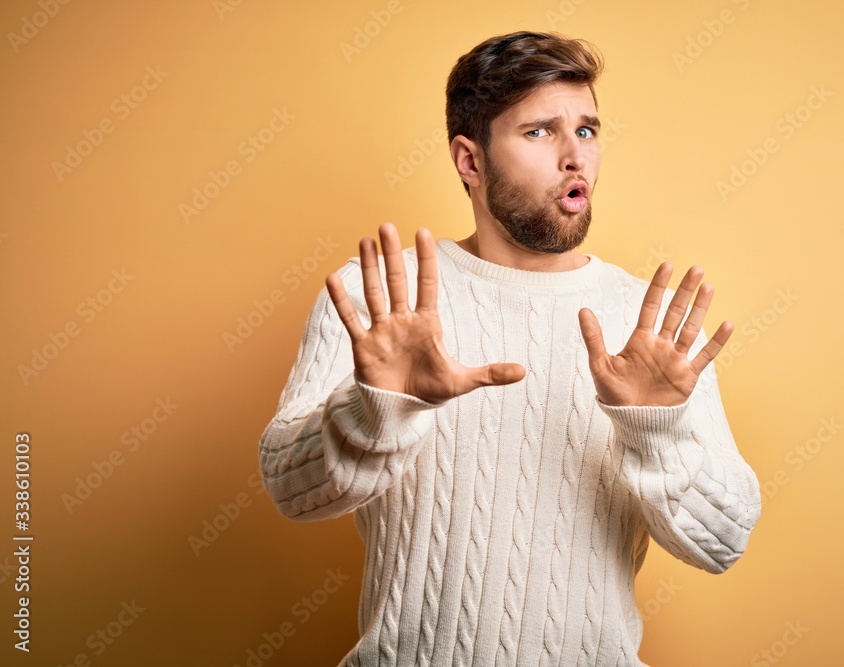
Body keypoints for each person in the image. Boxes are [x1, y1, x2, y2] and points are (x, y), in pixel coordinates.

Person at [258, 30, 761, 667]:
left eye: (586, 130)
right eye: (538, 132)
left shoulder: (649, 326)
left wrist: (656, 431)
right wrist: (374, 407)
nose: (574, 156)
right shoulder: (383, 300)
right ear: (470, 161)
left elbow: (723, 541)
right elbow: (289, 488)